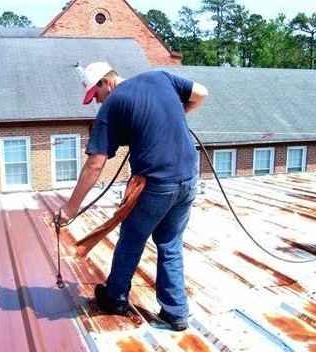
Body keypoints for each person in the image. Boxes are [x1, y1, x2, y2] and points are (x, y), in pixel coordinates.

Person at [57, 62, 208, 331]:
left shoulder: (112, 104)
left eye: (96, 94)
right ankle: (176, 312)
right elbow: (201, 93)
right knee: (170, 241)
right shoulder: (160, 77)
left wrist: (70, 209)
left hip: (157, 183)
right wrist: (176, 119)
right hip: (188, 177)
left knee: (132, 237)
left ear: (106, 83)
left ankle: (115, 297)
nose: (97, 101)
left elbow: (95, 164)